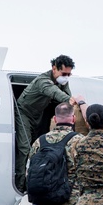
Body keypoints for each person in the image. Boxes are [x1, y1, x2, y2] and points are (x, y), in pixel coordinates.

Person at [15, 55, 84, 192]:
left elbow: (66, 99)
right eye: (64, 73)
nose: (66, 77)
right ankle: (20, 185)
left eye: (69, 74)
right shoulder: (43, 81)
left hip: (38, 115)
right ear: (54, 69)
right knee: (24, 148)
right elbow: (56, 94)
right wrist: (72, 100)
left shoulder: (62, 81)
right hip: (24, 113)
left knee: (38, 148)